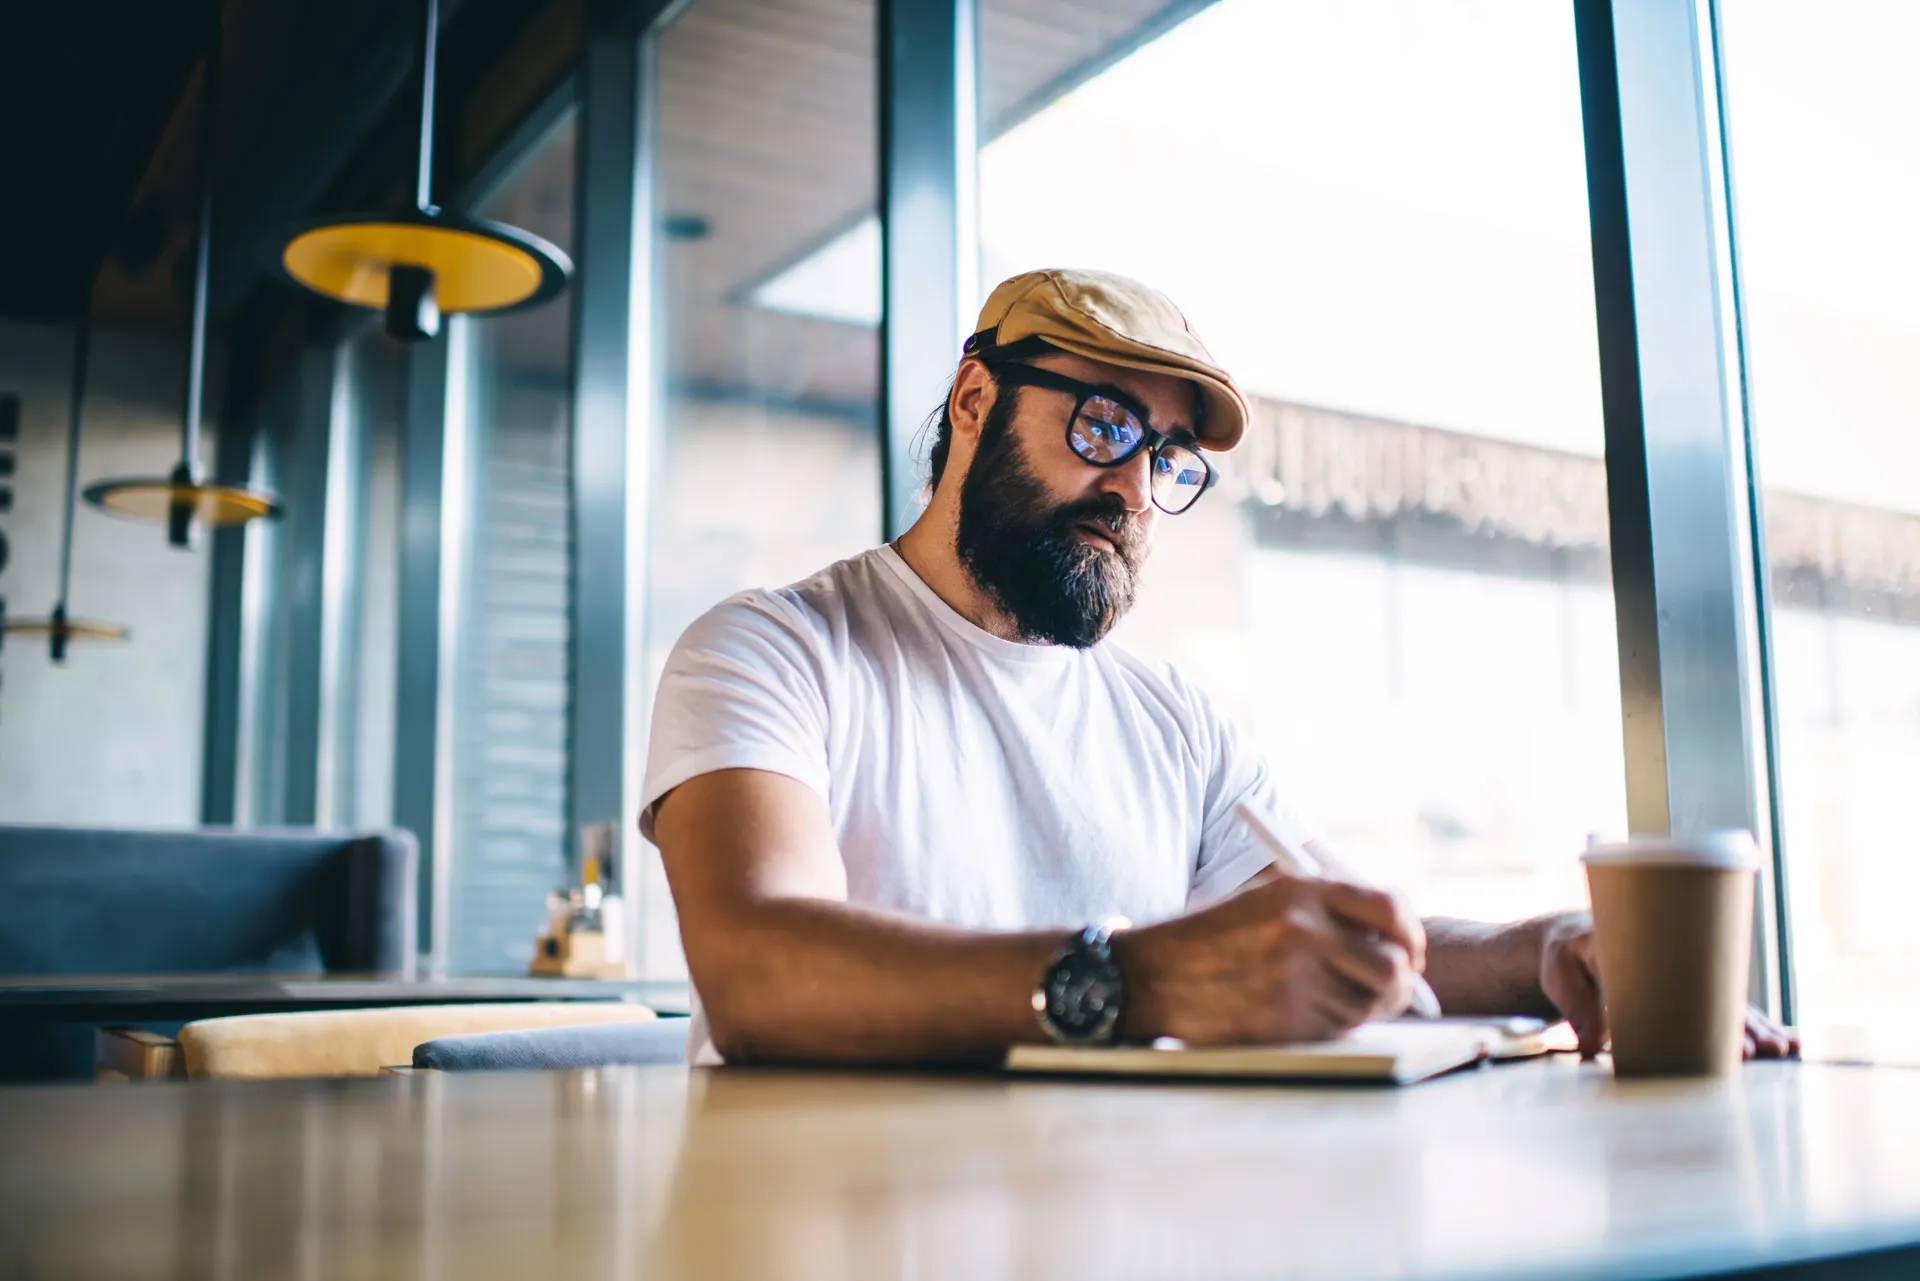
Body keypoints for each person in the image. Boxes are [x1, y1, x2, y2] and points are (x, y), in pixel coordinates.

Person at [641, 267, 1798, 1067]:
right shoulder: (772, 651)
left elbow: (1324, 935)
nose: (1135, 489)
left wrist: (1538, 948)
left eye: (1169, 460)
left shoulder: (1173, 717)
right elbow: (759, 972)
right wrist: (1145, 981)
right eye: (1101, 426)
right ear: (976, 399)